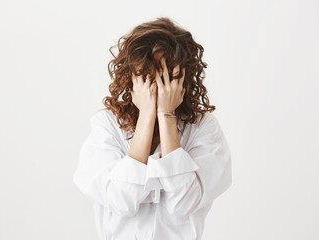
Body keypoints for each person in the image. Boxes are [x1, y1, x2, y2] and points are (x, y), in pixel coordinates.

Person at [73, 17, 232, 240]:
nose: (157, 84)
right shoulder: (106, 125)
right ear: (131, 76)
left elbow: (185, 203)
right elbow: (121, 201)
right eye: (148, 74)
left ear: (183, 77)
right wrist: (147, 116)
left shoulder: (203, 127)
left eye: (166, 75)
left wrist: (166, 114)